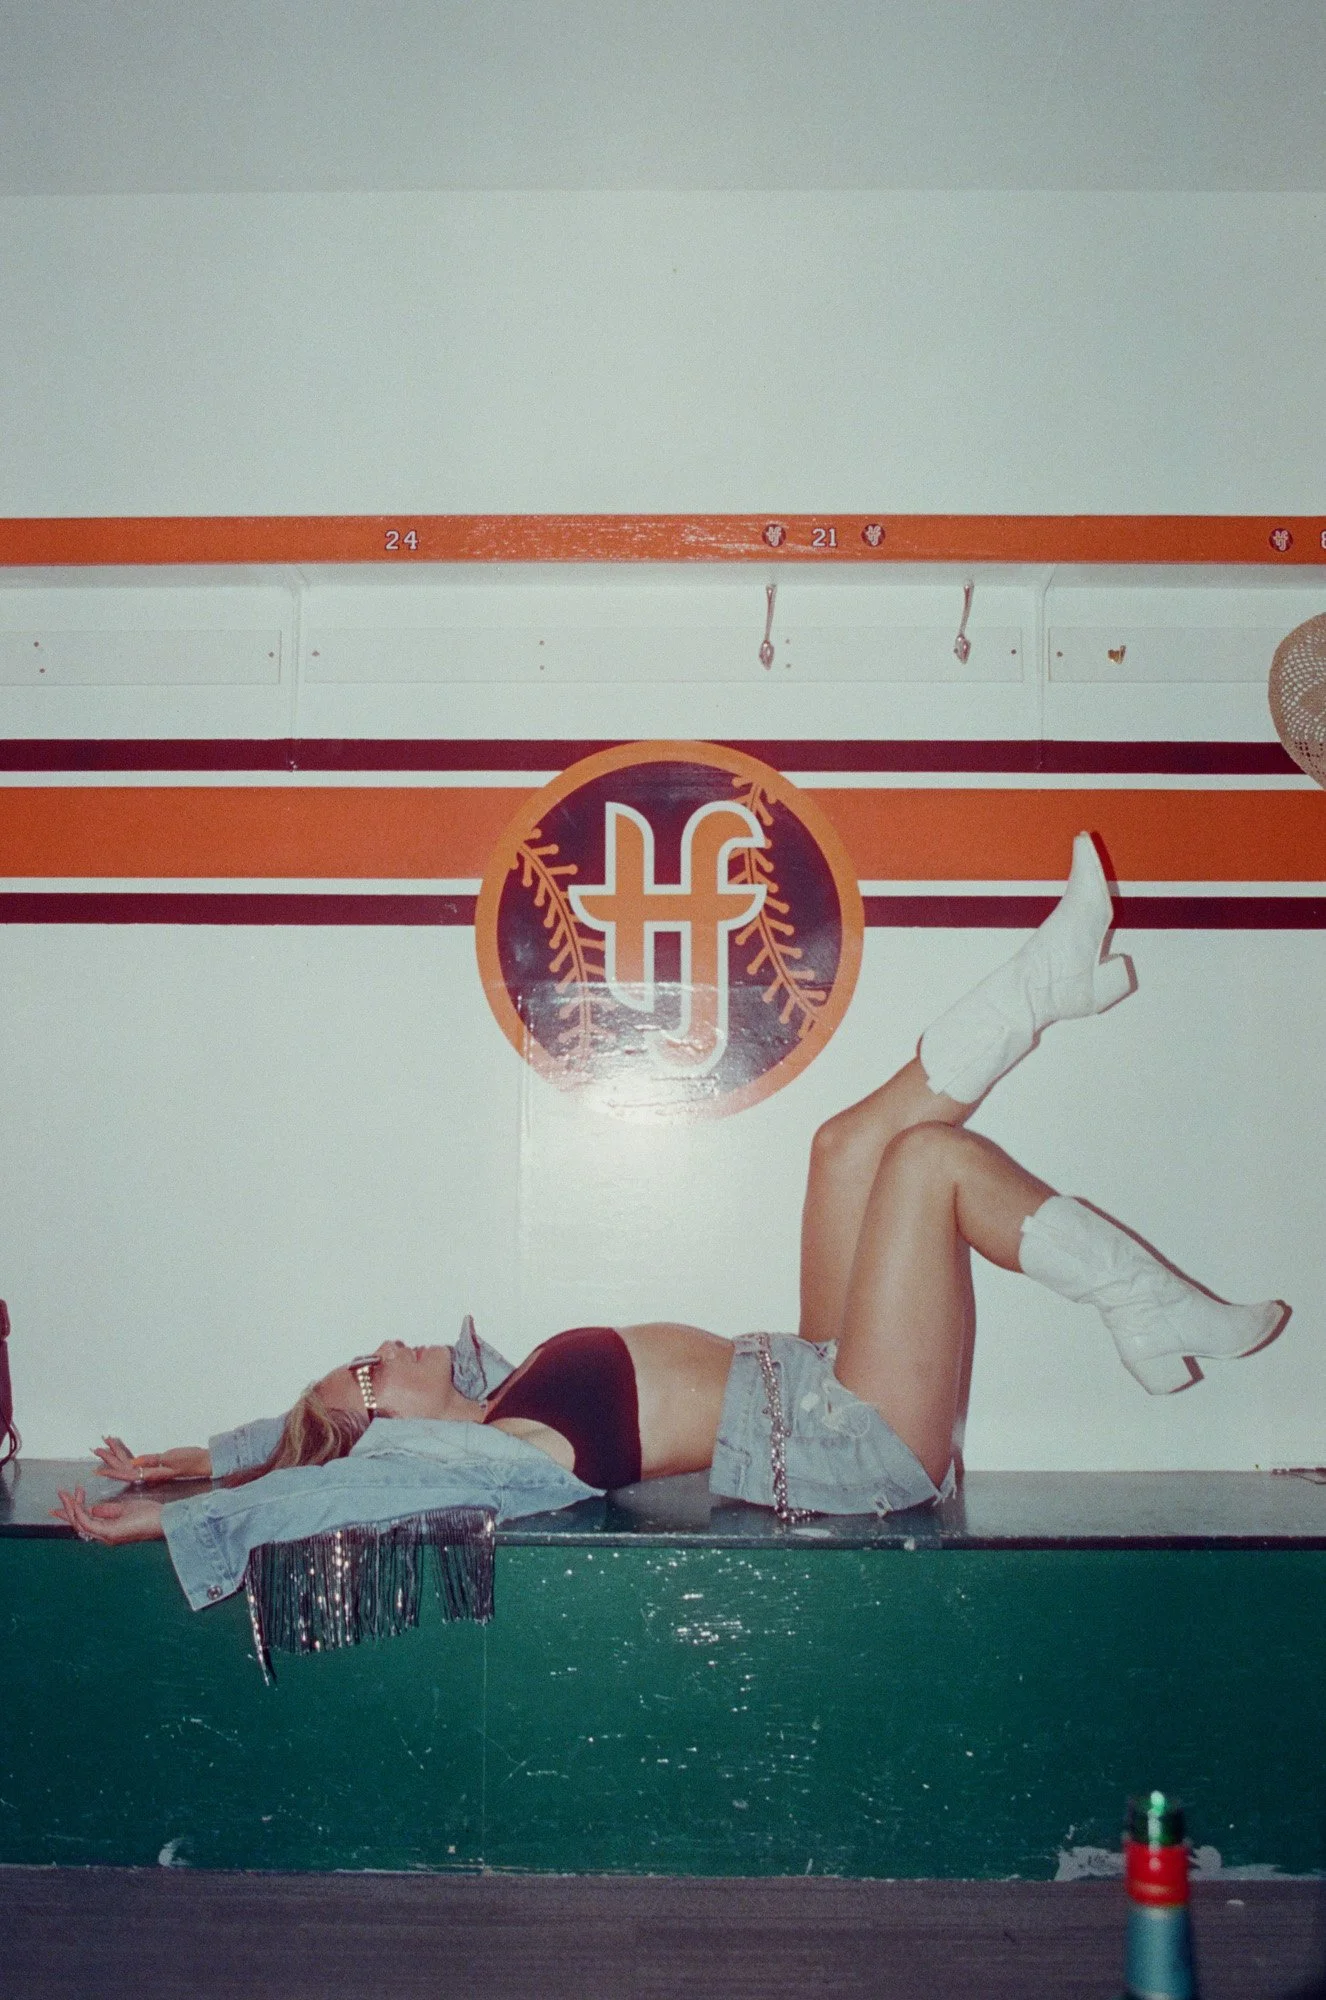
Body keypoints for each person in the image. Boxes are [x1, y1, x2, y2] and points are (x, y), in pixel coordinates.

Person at [55, 834, 1288, 1609]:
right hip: (852, 1450)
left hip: (811, 1375)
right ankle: (1146, 1305)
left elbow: (293, 1439)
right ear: (390, 1431)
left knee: (842, 1147)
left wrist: (191, 1456)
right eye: (371, 1370)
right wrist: (187, 1517)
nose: (387, 1344)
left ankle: (1045, 987)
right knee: (928, 1165)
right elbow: (322, 1493)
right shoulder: (491, 1458)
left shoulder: (501, 1386)